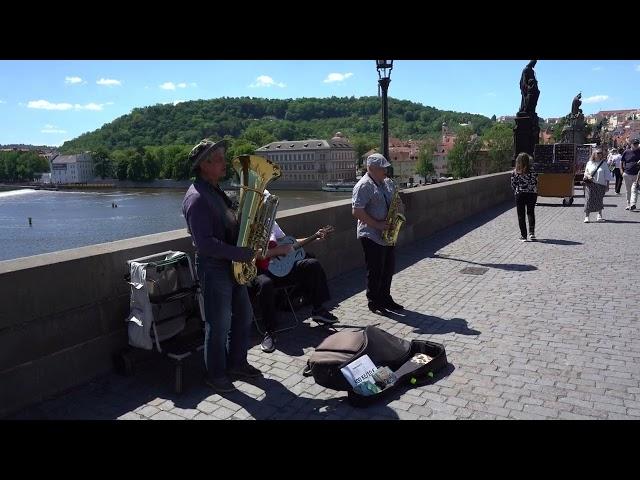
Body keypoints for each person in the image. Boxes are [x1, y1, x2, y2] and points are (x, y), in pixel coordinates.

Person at [182, 138, 262, 393]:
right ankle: (215, 374)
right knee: (218, 324)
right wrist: (239, 252)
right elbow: (204, 244)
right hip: (214, 267)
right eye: (217, 159)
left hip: (230, 263)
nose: (224, 163)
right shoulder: (196, 198)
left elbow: (230, 225)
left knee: (244, 315)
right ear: (203, 165)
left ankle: (237, 363)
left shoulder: (216, 191)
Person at [249, 194, 338, 353]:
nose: (269, 208)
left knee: (312, 265)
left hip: (279, 268)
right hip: (258, 270)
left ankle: (318, 310)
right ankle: (270, 331)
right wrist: (276, 251)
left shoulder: (271, 222)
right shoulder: (248, 225)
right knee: (266, 284)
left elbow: (289, 244)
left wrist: (314, 237)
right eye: (266, 205)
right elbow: (250, 254)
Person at [352, 153, 404, 314]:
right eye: (382, 168)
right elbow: (357, 211)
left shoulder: (387, 183)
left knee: (388, 268)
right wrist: (377, 224)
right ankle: (374, 301)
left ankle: (385, 297)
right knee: (375, 269)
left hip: (387, 232)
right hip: (370, 233)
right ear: (372, 168)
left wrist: (398, 212)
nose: (386, 172)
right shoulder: (364, 185)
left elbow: (396, 200)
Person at [510, 152, 538, 241]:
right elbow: (535, 182)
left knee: (521, 215)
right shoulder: (533, 170)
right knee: (530, 213)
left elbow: (513, 184)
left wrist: (517, 191)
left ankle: (523, 235)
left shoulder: (515, 172)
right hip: (531, 193)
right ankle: (532, 233)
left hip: (520, 194)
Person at [583, 149, 612, 223]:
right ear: (594, 154)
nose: (600, 154)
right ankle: (587, 216)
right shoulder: (589, 163)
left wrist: (607, 185)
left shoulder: (604, 163)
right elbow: (585, 172)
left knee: (599, 200)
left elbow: (607, 175)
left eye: (601, 153)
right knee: (588, 199)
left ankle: (599, 215)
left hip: (601, 184)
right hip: (590, 184)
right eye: (598, 153)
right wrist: (588, 176)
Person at [620, 138, 640, 211]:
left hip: (637, 174)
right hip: (627, 173)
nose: (636, 145)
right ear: (631, 144)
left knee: (634, 189)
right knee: (628, 190)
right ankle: (628, 204)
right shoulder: (626, 152)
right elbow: (622, 161)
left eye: (637, 144)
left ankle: (633, 204)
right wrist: (622, 171)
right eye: (635, 144)